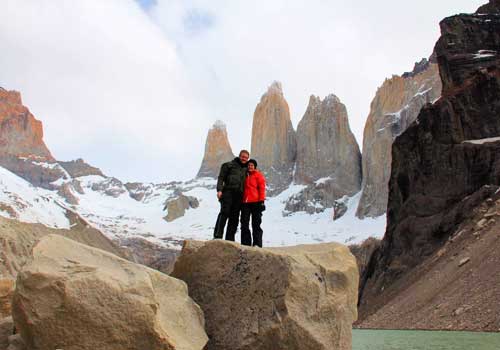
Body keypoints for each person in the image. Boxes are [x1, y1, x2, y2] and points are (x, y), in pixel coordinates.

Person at [213, 150, 249, 241]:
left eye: (246, 157)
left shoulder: (247, 169)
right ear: (239, 156)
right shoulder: (228, 165)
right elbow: (221, 178)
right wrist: (219, 190)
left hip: (239, 196)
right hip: (228, 192)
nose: (244, 159)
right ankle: (218, 235)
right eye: (243, 156)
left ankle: (230, 239)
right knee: (224, 212)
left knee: (235, 217)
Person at [240, 159, 266, 247]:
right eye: (249, 165)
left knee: (256, 224)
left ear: (255, 166)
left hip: (256, 203)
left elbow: (262, 188)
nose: (250, 167)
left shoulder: (258, 175)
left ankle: (257, 244)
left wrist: (262, 201)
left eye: (252, 165)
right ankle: (245, 244)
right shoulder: (245, 175)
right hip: (245, 203)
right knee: (244, 223)